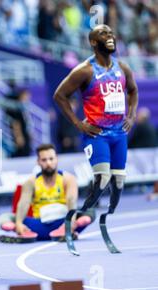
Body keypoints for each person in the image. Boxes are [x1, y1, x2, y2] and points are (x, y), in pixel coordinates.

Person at [54, 24, 138, 253]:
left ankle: (104, 216)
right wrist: (78, 123)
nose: (110, 36)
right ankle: (84, 213)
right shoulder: (85, 70)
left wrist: (131, 116)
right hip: (97, 134)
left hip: (119, 134)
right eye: (104, 34)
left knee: (118, 183)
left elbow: (133, 91)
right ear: (93, 42)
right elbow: (60, 95)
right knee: (102, 178)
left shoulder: (123, 68)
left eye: (111, 33)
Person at [3, 144, 93, 242]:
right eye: (44, 160)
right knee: (7, 217)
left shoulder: (68, 179)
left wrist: (69, 223)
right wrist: (19, 223)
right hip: (39, 224)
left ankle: (67, 229)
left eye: (51, 159)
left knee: (89, 211)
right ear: (38, 162)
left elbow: (71, 201)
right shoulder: (31, 182)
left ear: (57, 159)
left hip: (63, 222)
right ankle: (23, 230)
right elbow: (23, 204)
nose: (48, 163)